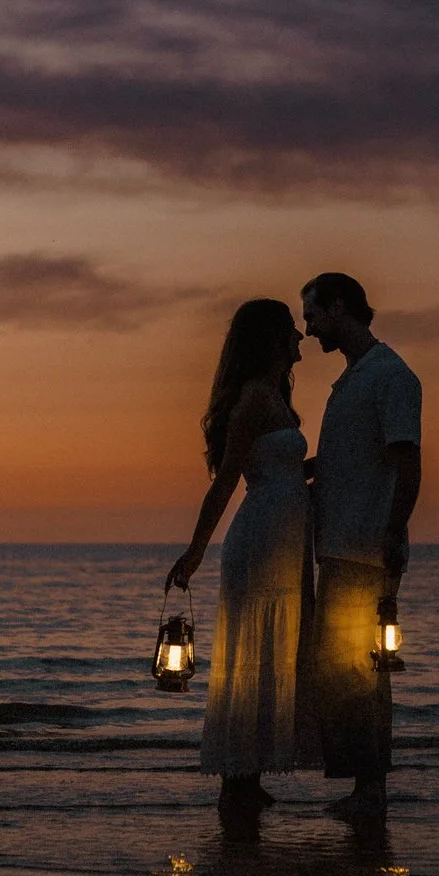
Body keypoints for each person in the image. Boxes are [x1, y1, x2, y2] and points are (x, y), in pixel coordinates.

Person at [166, 298, 318, 809]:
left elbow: (282, 468)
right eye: (291, 331)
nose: (300, 338)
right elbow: (226, 482)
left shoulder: (275, 394)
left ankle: (249, 776)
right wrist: (194, 553)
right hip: (259, 539)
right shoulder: (254, 398)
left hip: (287, 537)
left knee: (274, 651)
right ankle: (238, 780)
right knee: (252, 653)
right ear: (271, 339)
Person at [300, 272, 421, 819]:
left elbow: (406, 460)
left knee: (357, 672)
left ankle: (371, 791)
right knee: (344, 671)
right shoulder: (354, 379)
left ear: (340, 307)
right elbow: (353, 461)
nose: (308, 330)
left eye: (313, 317)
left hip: (364, 549)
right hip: (342, 545)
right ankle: (363, 787)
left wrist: (393, 532)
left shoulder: (389, 376)